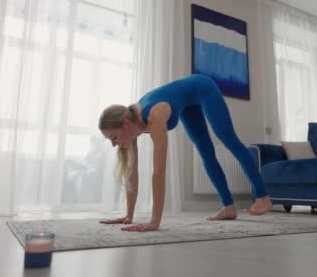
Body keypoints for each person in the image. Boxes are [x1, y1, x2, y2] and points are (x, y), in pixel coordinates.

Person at [98, 74, 272, 232]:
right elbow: (132, 171)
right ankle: (228, 207)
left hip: (202, 87)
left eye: (113, 137)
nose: (114, 144)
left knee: (229, 139)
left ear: (125, 123)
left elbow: (159, 170)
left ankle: (262, 197)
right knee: (205, 152)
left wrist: (154, 221)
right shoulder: (132, 128)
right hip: (186, 103)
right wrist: (129, 216)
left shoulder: (153, 116)